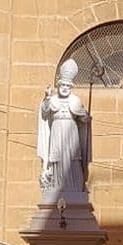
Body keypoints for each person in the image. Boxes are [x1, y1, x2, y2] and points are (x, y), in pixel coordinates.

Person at [36, 60, 92, 204]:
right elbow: (44, 111)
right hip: (56, 130)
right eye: (63, 85)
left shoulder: (76, 100)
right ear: (59, 85)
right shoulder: (53, 99)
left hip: (71, 131)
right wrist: (47, 97)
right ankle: (56, 186)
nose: (65, 88)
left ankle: (75, 187)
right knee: (57, 159)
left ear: (71, 87)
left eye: (68, 86)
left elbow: (82, 117)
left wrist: (86, 118)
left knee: (73, 159)